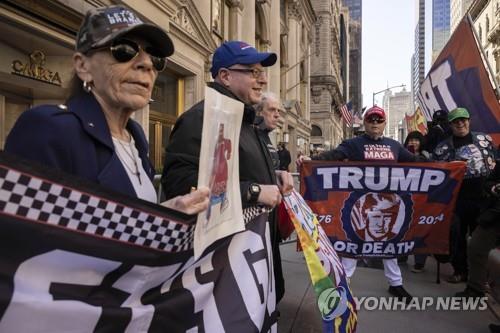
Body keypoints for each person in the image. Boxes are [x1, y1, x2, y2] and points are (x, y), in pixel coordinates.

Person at [5, 5, 208, 215]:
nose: (146, 63)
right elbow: (25, 235)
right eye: (124, 50)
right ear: (83, 66)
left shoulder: (136, 137)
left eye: (155, 57)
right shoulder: (50, 128)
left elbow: (126, 217)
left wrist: (166, 213)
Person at [161, 40, 294, 305]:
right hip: (225, 263)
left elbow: (240, 167)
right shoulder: (200, 118)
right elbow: (180, 184)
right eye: (254, 72)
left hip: (257, 254)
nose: (263, 80)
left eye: (263, 73)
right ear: (225, 76)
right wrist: (254, 191)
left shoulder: (249, 121)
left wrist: (273, 174)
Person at [299, 105, 417, 302]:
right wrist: (312, 160)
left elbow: (415, 161)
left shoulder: (394, 145)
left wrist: (446, 166)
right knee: (352, 245)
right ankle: (343, 285)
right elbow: (334, 155)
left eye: (379, 120)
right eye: (371, 120)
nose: (375, 124)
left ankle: (396, 284)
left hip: (389, 207)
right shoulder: (354, 144)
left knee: (390, 246)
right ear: (365, 122)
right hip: (360, 205)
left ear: (384, 123)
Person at [433, 107, 497, 283]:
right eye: (456, 121)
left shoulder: (484, 139)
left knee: (482, 239)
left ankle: (481, 277)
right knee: (458, 236)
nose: (460, 123)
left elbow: (496, 162)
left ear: (469, 120)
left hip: (484, 198)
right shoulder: (443, 148)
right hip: (457, 199)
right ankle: (460, 271)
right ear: (450, 124)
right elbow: (437, 175)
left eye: (463, 119)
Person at [403, 130, 430, 272]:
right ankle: (401, 255)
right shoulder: (400, 156)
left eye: (416, 140)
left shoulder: (427, 157)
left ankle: (419, 261)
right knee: (402, 227)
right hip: (403, 198)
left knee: (419, 229)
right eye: (411, 140)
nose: (413, 143)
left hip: (421, 199)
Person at [255, 92, 282, 170]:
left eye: (278, 111)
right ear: (259, 112)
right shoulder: (250, 137)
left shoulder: (266, 136)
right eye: (272, 110)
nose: (277, 115)